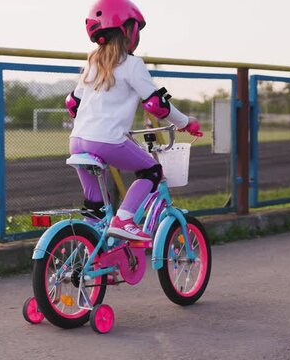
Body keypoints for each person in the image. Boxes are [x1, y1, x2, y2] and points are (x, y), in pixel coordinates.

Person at [64, 0, 203, 242]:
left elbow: (72, 104)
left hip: (77, 141)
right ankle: (125, 219)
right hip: (107, 141)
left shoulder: (93, 64)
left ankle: (93, 257)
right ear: (129, 30)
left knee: (95, 209)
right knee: (152, 171)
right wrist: (185, 122)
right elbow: (156, 104)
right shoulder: (132, 64)